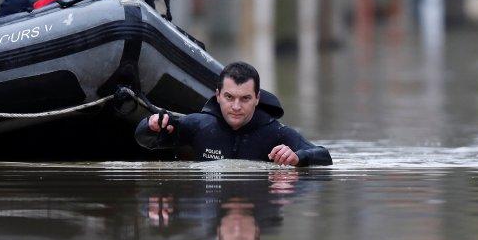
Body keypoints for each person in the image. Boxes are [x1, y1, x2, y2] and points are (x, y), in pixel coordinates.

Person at [135, 61, 333, 166]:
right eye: (230, 97)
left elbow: (324, 157)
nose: (236, 107)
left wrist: (297, 158)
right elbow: (143, 139)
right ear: (218, 95)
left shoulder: (275, 133)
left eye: (245, 99)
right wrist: (151, 125)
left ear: (257, 98)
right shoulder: (198, 125)